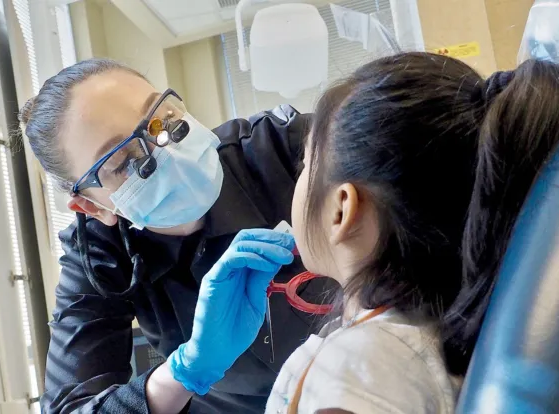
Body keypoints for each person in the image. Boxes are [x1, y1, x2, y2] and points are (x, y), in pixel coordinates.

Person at [137, 52, 559, 414]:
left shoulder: (360, 368)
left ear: (342, 210)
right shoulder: (415, 335)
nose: (295, 177)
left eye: (305, 161)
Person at [20, 58, 331, 413]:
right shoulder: (99, 253)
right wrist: (187, 369)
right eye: (123, 162)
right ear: (93, 208)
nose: (163, 149)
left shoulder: (283, 147)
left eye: (163, 120)